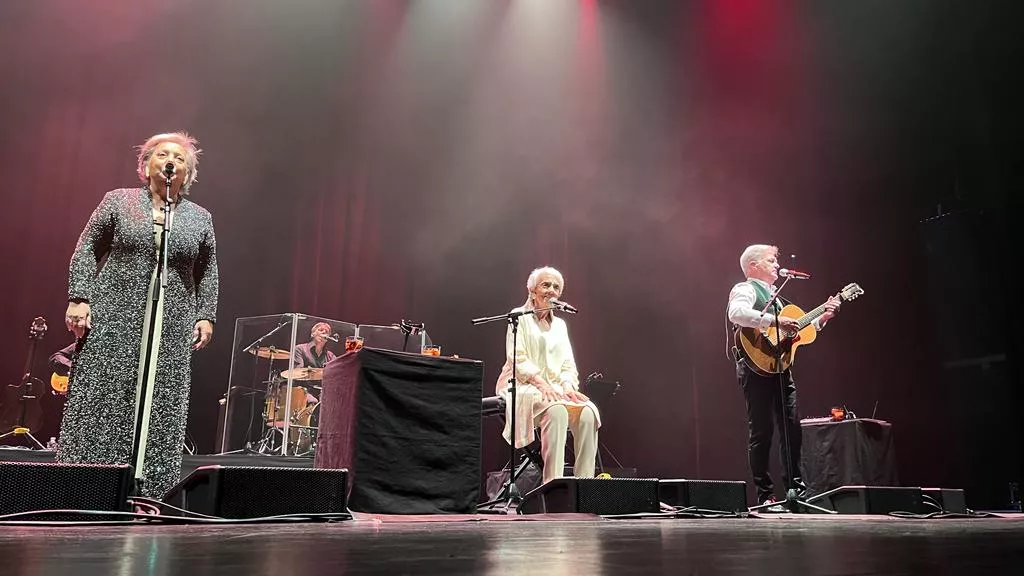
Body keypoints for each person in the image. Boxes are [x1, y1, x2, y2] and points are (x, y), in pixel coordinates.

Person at [58, 132, 218, 497]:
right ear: (146, 165)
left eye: (179, 158)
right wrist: (80, 297)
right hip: (115, 311)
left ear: (187, 174)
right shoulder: (118, 201)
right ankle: (85, 485)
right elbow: (86, 249)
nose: (170, 161)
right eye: (162, 154)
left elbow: (208, 270)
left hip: (174, 316)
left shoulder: (199, 218)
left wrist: (206, 314)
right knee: (105, 390)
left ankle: (150, 488)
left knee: (161, 397)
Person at [727, 244, 840, 509]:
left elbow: (801, 331)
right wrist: (776, 322)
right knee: (762, 431)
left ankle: (795, 492)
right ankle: (765, 494)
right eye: (771, 261)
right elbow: (737, 314)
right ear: (753, 266)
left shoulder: (779, 301)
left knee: (791, 430)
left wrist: (824, 317)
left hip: (781, 368)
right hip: (755, 368)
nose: (777, 265)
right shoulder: (744, 289)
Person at [495, 266, 600, 485]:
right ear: (532, 291)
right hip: (522, 386)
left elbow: (567, 364)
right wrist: (542, 384)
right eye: (546, 285)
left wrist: (569, 387)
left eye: (556, 287)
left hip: (554, 389)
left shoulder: (560, 325)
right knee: (557, 410)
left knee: (589, 412)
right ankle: (553, 486)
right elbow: (518, 359)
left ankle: (585, 486)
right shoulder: (518, 317)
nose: (552, 290)